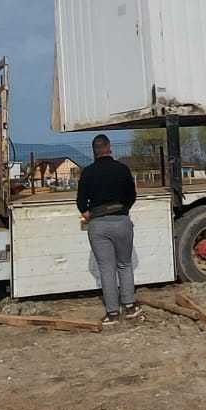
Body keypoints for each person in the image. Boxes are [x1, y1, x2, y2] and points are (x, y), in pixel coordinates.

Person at [77, 133, 139, 323]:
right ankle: (129, 306)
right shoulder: (122, 169)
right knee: (125, 264)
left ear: (94, 151)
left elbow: (81, 202)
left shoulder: (87, 172)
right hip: (121, 221)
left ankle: (112, 312)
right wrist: (122, 210)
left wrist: (88, 213)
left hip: (98, 224)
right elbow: (132, 196)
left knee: (106, 269)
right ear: (109, 148)